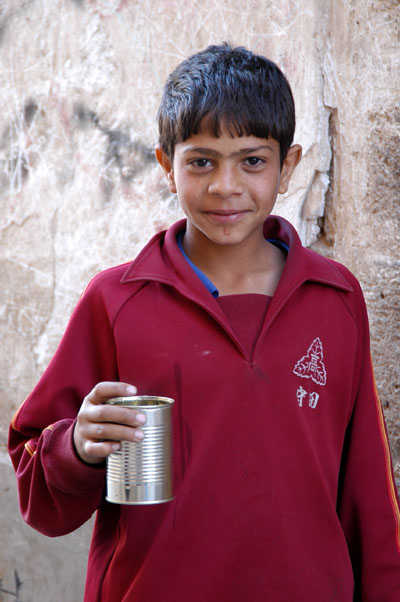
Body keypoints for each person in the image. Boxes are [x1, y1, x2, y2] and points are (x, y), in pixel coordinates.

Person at [8, 43, 400, 601]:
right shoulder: (117, 302)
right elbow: (36, 489)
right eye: (201, 161)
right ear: (167, 165)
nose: (225, 186)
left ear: (288, 166)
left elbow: (369, 495)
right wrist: (77, 447)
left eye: (253, 160)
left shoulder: (333, 299)